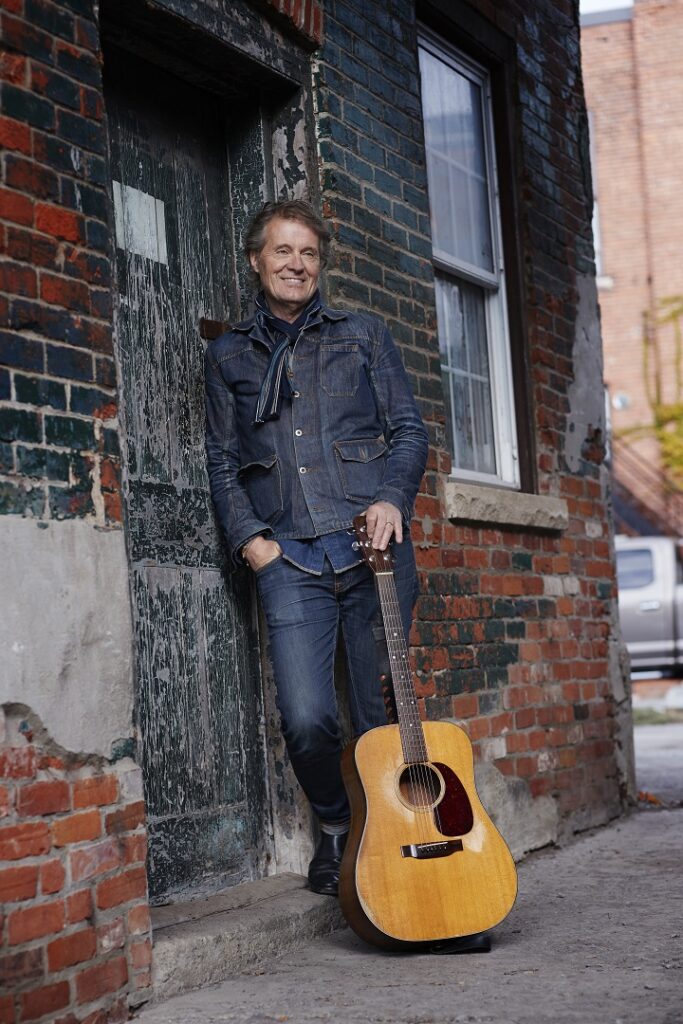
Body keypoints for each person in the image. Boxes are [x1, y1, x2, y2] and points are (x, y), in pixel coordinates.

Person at [204, 199, 429, 895]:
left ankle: (382, 846)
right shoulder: (228, 354)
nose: (296, 264)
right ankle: (334, 827)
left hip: (372, 554)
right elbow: (219, 457)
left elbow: (409, 430)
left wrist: (391, 498)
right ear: (255, 261)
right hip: (289, 560)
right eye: (282, 251)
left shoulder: (363, 334)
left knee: (373, 718)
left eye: (307, 253)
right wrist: (251, 543)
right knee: (306, 719)